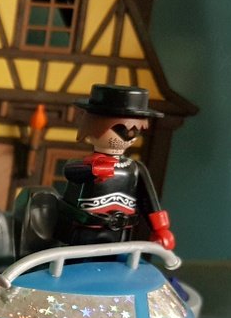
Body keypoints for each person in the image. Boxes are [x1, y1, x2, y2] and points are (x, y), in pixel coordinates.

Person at [56, 84, 175, 250]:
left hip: (121, 233)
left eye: (135, 131)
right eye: (121, 130)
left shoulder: (134, 168)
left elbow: (148, 200)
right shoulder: (87, 163)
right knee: (78, 261)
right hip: (83, 231)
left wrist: (161, 229)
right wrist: (92, 170)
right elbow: (71, 172)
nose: (129, 137)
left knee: (115, 260)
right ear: (93, 126)